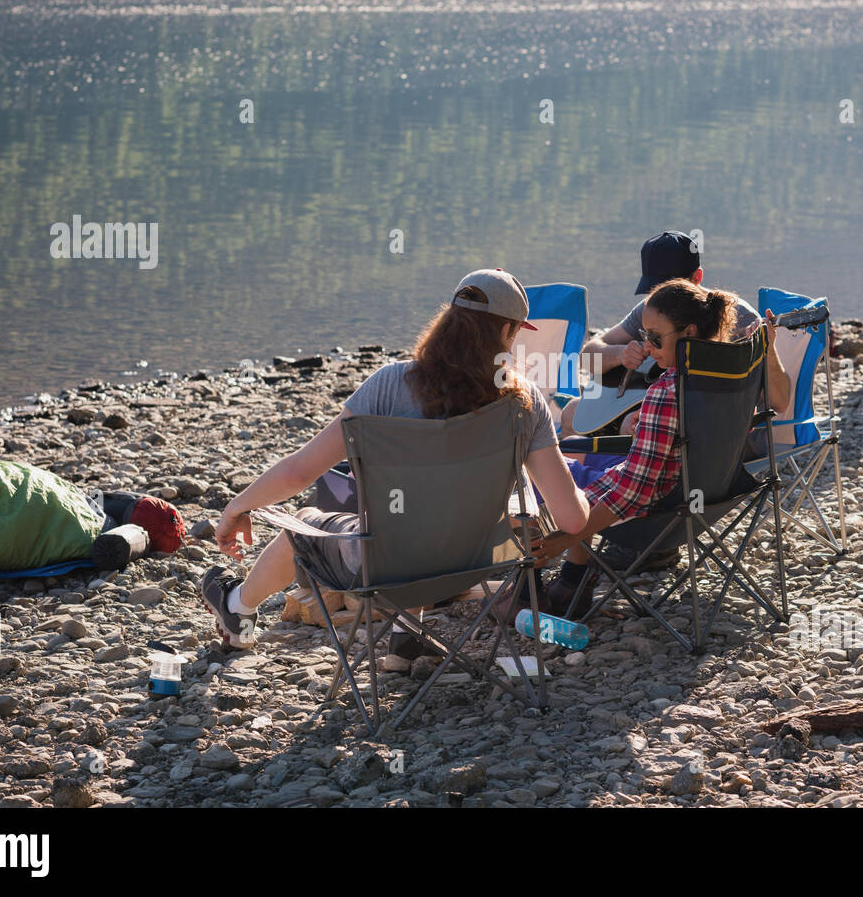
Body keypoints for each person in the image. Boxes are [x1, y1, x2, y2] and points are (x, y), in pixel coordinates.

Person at [201, 269, 590, 651]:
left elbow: (300, 470)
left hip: (383, 572)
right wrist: (586, 496)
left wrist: (238, 506)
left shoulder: (389, 385)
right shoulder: (524, 402)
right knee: (431, 518)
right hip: (477, 567)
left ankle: (237, 608)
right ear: (508, 331)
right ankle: (406, 640)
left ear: (448, 321)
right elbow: (572, 519)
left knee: (307, 523)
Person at [531, 278, 774, 618]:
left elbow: (636, 489)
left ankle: (555, 583)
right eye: (643, 335)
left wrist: (566, 536)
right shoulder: (725, 377)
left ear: (688, 333)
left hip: (657, 515)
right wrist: (646, 424)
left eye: (655, 337)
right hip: (709, 498)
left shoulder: (667, 389)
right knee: (572, 449)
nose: (647, 345)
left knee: (550, 471)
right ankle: (568, 580)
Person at [561, 230, 789, 436]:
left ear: (697, 278)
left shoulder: (740, 320)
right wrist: (620, 355)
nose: (661, 296)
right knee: (571, 413)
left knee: (628, 427)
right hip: (656, 408)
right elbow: (587, 357)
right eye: (654, 289)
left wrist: (766, 349)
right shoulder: (652, 307)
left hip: (714, 434)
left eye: (668, 288)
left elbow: (780, 403)